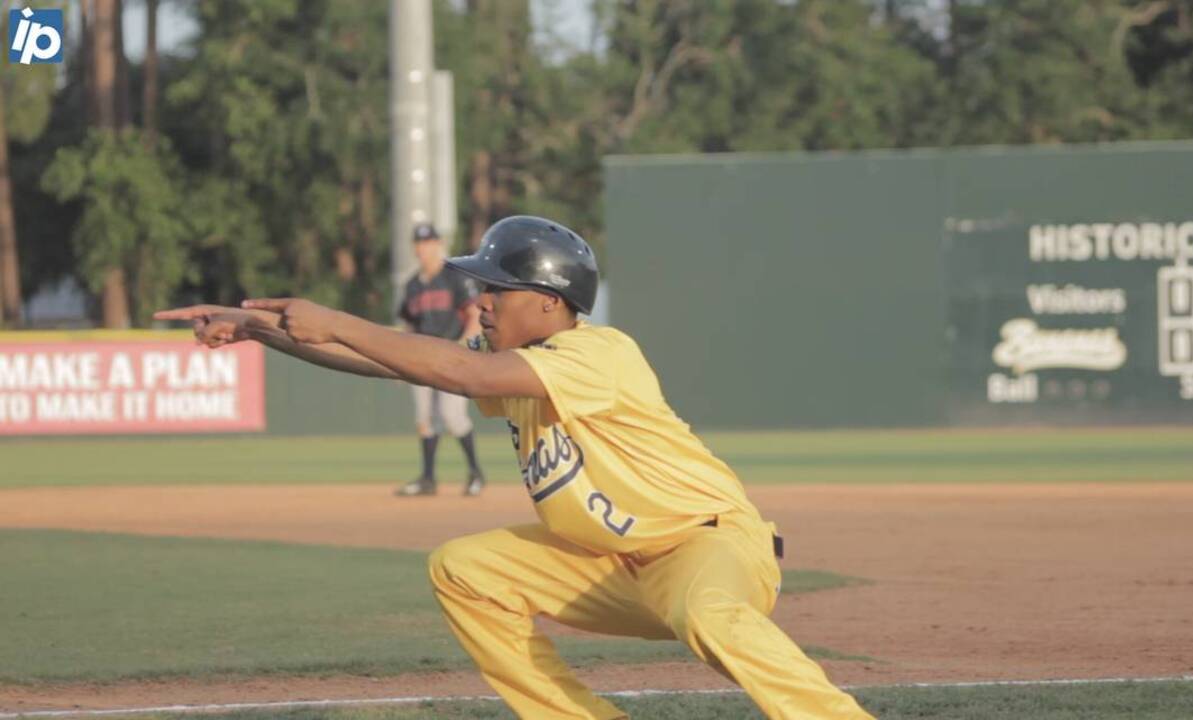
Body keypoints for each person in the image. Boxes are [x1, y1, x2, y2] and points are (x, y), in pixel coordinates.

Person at [154, 215, 875, 720]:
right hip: (612, 565)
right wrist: (255, 328)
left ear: (547, 303)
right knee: (463, 568)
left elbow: (457, 377)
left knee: (707, 613)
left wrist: (337, 317)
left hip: (709, 546)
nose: (481, 298)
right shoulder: (515, 363)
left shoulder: (599, 355)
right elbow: (387, 362)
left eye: (495, 288)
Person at [396, 223, 485, 497]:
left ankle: (475, 473)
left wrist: (463, 350)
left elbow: (475, 317)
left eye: (428, 242)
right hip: (421, 358)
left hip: (451, 355)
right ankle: (428, 478)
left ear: (438, 244)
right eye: (419, 243)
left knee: (451, 415)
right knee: (424, 419)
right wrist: (401, 363)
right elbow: (409, 327)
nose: (423, 247)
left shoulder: (454, 277)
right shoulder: (412, 285)